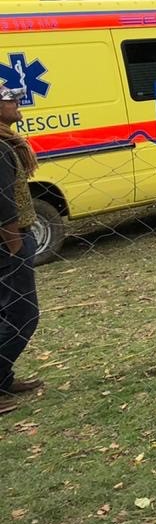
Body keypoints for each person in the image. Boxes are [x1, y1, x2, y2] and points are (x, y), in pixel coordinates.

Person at [0, 86, 41, 415]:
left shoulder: (7, 142)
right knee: (21, 314)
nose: (18, 104)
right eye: (11, 99)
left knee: (10, 313)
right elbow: (1, 204)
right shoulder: (0, 147)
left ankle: (4, 377)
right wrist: (14, 245)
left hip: (13, 239)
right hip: (8, 243)